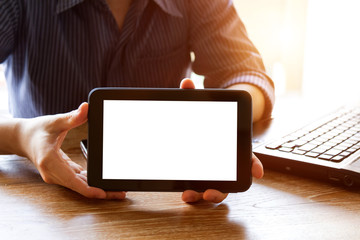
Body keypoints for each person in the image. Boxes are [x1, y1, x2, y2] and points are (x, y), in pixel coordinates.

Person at [0, 0, 274, 203]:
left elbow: (246, 73)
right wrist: (21, 136)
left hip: (169, 195)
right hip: (44, 201)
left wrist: (220, 125)